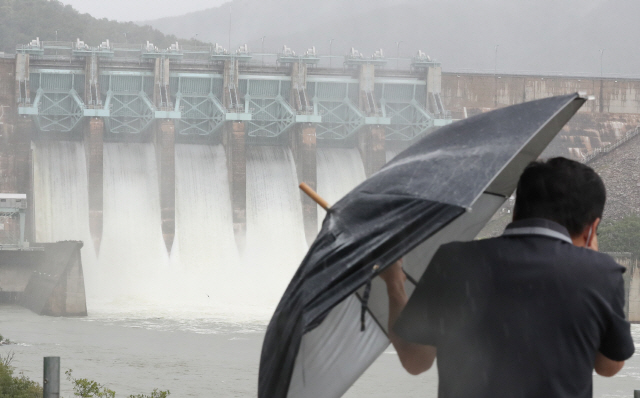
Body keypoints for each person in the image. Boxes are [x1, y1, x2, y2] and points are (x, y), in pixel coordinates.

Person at [380, 157, 635, 397]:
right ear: (592, 228)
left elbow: (414, 360)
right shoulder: (600, 273)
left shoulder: (454, 260)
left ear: (516, 213)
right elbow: (609, 366)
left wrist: (394, 283)